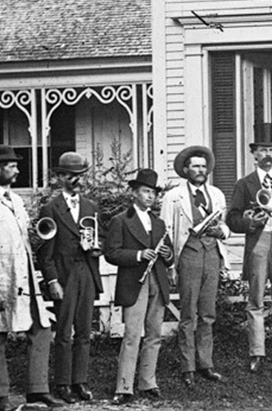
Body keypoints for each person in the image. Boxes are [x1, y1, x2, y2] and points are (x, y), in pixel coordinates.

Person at [0, 144, 65, 411]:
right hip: (0, 278)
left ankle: (37, 390)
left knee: (41, 328)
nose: (17, 170)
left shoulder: (16, 200)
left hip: (23, 278)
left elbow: (23, 238)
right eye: (11, 166)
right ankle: (0, 396)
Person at [160, 145, 230, 386]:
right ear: (186, 170)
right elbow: (166, 230)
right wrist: (170, 266)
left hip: (212, 255)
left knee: (208, 313)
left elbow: (226, 226)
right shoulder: (173, 197)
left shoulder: (217, 194)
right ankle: (187, 366)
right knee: (188, 312)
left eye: (203, 166)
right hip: (188, 255)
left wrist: (220, 231)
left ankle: (205, 363)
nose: (200, 170)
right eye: (195, 166)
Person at [37, 152, 103, 403]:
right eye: (73, 176)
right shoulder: (50, 208)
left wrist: (98, 248)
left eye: (81, 176)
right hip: (64, 275)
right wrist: (52, 281)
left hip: (86, 271)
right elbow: (45, 253)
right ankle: (62, 383)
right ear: (61, 177)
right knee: (64, 332)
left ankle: (80, 381)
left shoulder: (91, 207)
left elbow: (102, 238)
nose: (78, 181)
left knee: (85, 331)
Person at [227, 140, 272, 375]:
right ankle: (257, 353)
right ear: (253, 154)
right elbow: (232, 219)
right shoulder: (244, 184)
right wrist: (248, 223)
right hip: (257, 241)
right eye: (263, 150)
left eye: (271, 150)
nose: (267, 154)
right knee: (255, 300)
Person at [105, 169, 173, 405]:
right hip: (135, 282)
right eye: (145, 191)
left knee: (154, 334)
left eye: (153, 192)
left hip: (158, 282)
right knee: (132, 335)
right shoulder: (120, 221)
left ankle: (148, 382)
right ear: (133, 193)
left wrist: (168, 253)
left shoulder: (160, 223)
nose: (150, 196)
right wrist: (138, 254)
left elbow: (170, 257)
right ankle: (124, 387)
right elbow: (111, 253)